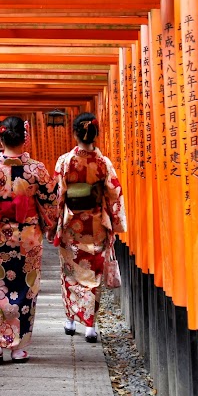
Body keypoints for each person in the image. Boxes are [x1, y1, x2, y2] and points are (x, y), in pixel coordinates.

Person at [0, 116, 59, 364]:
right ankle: (18, 347)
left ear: (0, 138)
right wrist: (48, 225)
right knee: (26, 288)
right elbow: (50, 202)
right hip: (28, 238)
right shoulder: (37, 169)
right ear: (25, 137)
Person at [50, 112, 126, 343]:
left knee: (70, 273)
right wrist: (116, 222)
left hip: (72, 224)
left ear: (74, 133)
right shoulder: (103, 163)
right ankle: (90, 326)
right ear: (96, 134)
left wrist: (53, 224)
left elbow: (58, 195)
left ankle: (71, 320)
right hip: (95, 224)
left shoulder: (65, 161)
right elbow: (114, 193)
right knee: (93, 273)